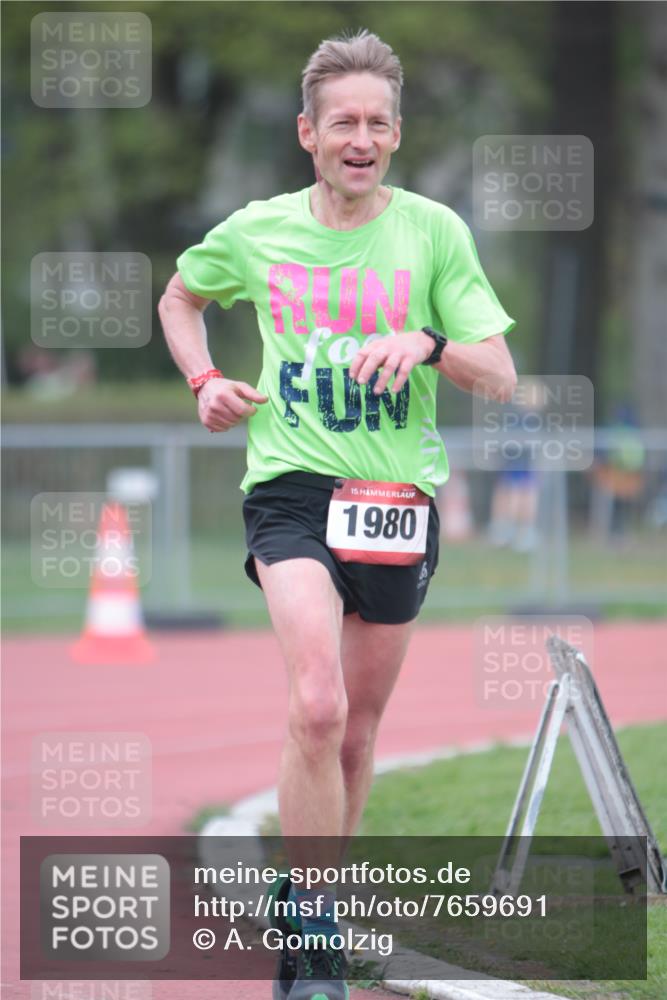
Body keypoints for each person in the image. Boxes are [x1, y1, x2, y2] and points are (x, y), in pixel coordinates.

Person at [159, 29, 516, 1000]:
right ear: (307, 134)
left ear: (394, 135)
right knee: (315, 702)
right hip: (291, 485)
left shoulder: (433, 233)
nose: (360, 139)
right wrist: (203, 379)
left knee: (355, 733)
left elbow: (499, 374)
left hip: (394, 497)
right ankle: (311, 940)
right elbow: (181, 298)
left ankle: (311, 890)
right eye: (342, 123)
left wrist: (428, 342)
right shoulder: (257, 230)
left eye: (377, 123)